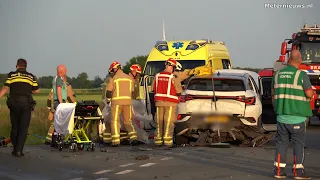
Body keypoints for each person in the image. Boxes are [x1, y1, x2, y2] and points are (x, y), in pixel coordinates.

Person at [272, 50, 313, 179]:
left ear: (289, 60)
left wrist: (277, 109)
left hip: (281, 117)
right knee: (298, 144)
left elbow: (273, 94)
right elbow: (309, 94)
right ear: (300, 61)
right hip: (297, 117)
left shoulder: (277, 74)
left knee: (281, 143)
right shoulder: (301, 75)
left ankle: (279, 171)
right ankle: (298, 172)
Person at [0, 58, 40, 157]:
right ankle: (19, 150)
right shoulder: (31, 76)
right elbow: (37, 90)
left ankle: (15, 148)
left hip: (14, 104)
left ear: (17, 66)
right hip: (26, 104)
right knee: (23, 128)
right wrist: (26, 91)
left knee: (15, 127)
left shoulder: (12, 75)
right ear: (26, 67)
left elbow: (5, 87)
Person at [106, 61, 139, 147]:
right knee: (128, 121)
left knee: (115, 121)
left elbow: (108, 92)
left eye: (112, 71)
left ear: (114, 69)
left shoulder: (114, 79)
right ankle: (133, 137)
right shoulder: (129, 78)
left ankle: (116, 141)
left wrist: (108, 101)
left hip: (116, 103)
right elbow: (132, 92)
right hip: (128, 102)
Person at [152, 58, 183, 149]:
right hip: (170, 103)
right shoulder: (173, 77)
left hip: (158, 103)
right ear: (173, 67)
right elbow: (178, 91)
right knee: (168, 122)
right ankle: (167, 142)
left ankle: (158, 141)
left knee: (159, 122)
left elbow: (153, 89)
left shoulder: (157, 76)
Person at [50, 64, 68, 147]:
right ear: (62, 71)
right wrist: (62, 104)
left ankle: (55, 140)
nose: (66, 71)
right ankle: (57, 140)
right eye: (65, 70)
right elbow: (59, 91)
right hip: (59, 102)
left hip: (57, 101)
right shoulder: (59, 80)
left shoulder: (56, 78)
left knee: (57, 121)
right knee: (60, 122)